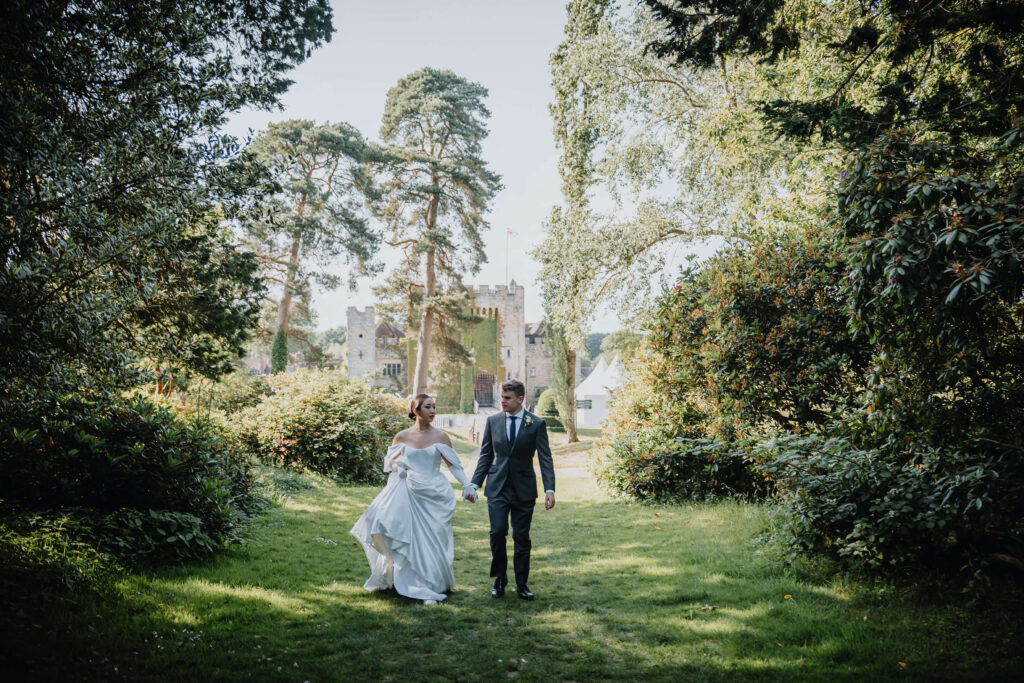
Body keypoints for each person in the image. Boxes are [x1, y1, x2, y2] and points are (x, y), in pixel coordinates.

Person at [350, 394, 475, 605]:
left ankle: (431, 584)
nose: (433, 411)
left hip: (433, 495)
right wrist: (400, 467)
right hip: (408, 492)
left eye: (434, 407)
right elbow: (388, 466)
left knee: (432, 541)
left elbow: (453, 465)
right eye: (428, 407)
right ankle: (410, 581)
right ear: (416, 411)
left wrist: (467, 485)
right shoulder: (401, 437)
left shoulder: (441, 437)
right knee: (405, 536)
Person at [464, 379, 554, 601]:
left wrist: (549, 489)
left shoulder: (536, 423)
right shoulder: (493, 421)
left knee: (521, 537)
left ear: (520, 399)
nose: (502, 402)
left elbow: (545, 459)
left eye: (507, 398)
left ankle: (522, 584)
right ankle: (500, 578)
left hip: (524, 489)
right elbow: (486, 455)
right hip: (497, 488)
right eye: (501, 397)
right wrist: (475, 483)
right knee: (497, 532)